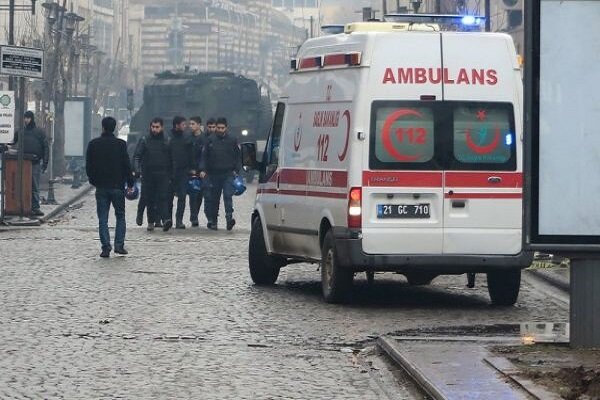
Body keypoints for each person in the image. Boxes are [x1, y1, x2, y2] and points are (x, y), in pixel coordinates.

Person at [85, 117, 134, 258]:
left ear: (103, 127)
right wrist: (130, 183)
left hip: (101, 186)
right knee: (120, 216)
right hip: (117, 186)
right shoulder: (120, 144)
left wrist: (93, 180)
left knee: (103, 218)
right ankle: (119, 245)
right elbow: (126, 165)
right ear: (115, 128)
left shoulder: (94, 144)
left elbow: (89, 166)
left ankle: (106, 247)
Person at [199, 117, 241, 231]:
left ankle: (229, 218)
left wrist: (236, 170)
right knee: (214, 198)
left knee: (228, 196)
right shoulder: (210, 140)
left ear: (226, 128)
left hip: (228, 173)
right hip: (214, 174)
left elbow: (238, 156)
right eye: (218, 128)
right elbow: (204, 156)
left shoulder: (232, 139)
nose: (220, 130)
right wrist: (202, 169)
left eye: (222, 128)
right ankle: (214, 221)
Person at [134, 117, 173, 232]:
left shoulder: (167, 140)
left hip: (163, 174)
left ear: (162, 127)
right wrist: (137, 170)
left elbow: (172, 159)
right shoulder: (145, 140)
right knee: (149, 198)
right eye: (153, 127)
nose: (155, 129)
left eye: (157, 127)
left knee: (163, 197)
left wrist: (171, 174)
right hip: (148, 174)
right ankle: (150, 221)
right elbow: (137, 156)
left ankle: (165, 219)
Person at [13, 111, 49, 216]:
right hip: (22, 163)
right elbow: (12, 142)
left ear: (31, 119)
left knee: (34, 186)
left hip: (34, 163)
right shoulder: (20, 132)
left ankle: (35, 207)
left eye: (28, 118)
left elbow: (45, 147)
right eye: (25, 118)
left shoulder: (39, 132)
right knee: (22, 184)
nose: (26, 120)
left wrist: (45, 163)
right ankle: (23, 206)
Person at [168, 116, 194, 229]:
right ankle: (168, 219)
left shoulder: (187, 137)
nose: (185, 126)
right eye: (183, 124)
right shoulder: (168, 137)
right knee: (169, 197)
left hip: (183, 171)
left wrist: (192, 168)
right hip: (170, 171)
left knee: (182, 196)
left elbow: (191, 154)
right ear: (177, 125)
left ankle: (179, 220)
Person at [188, 116, 206, 227]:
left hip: (201, 171)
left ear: (199, 125)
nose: (191, 126)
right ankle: (193, 217)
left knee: (200, 195)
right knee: (193, 194)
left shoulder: (204, 139)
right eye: (190, 124)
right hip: (191, 170)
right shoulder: (188, 138)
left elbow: (205, 156)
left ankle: (195, 214)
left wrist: (203, 169)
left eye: (193, 124)